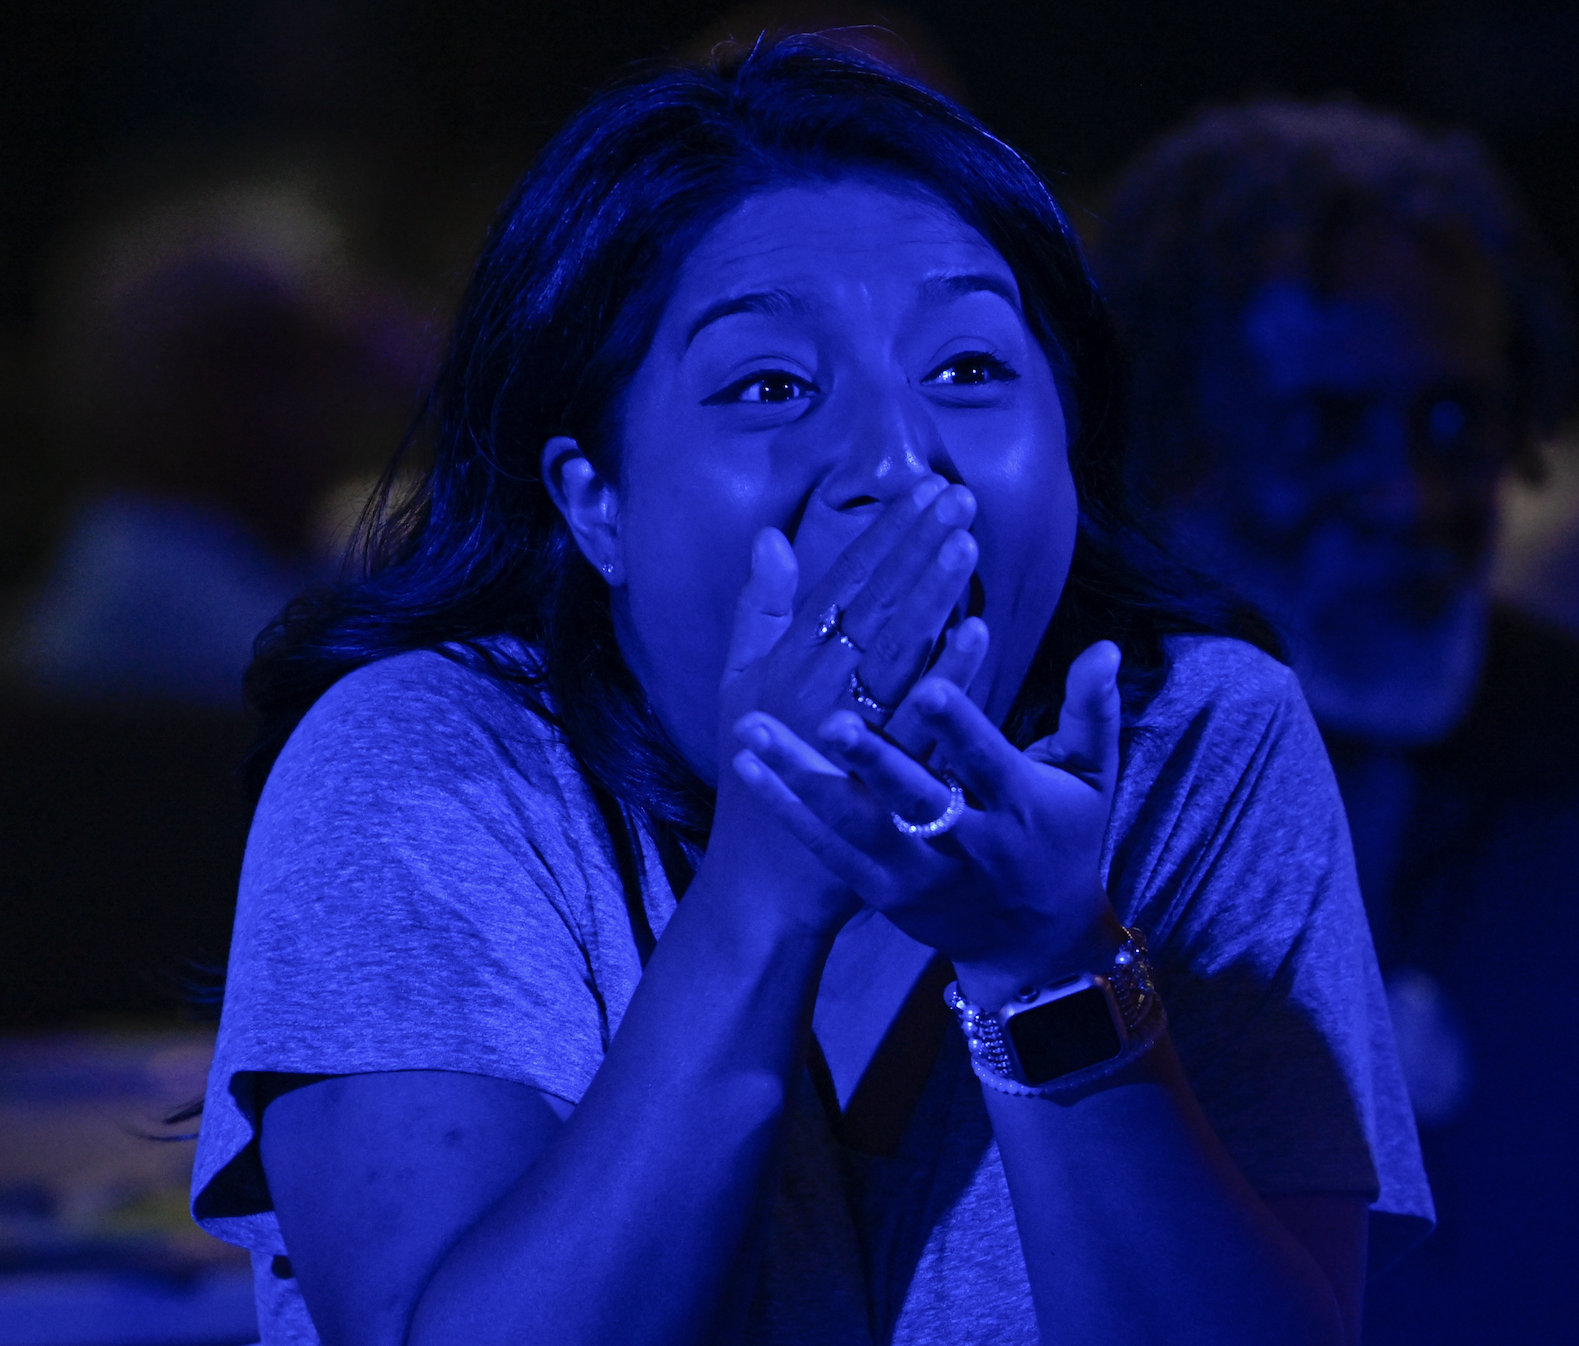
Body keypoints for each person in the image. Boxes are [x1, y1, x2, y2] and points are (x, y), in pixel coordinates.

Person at [190, 44, 1430, 1346]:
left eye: (967, 371)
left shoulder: (1191, 740)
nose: (897, 465)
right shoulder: (426, 760)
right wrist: (767, 880)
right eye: (770, 386)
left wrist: (1046, 965)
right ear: (592, 500)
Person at [1095, 99, 1579, 1344]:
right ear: (1173, 440)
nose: (1406, 495)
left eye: (1450, 421)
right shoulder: (1065, 789)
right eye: (1322, 427)